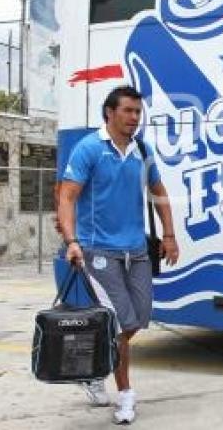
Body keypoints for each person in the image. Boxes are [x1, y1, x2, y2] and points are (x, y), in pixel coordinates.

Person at [57, 85, 178, 425]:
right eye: (128, 111)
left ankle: (93, 369)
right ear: (109, 112)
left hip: (137, 250)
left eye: (138, 112)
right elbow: (66, 197)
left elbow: (159, 191)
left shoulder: (142, 148)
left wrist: (169, 235)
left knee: (139, 317)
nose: (134, 118)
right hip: (98, 252)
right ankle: (125, 396)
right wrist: (72, 240)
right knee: (120, 323)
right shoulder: (89, 148)